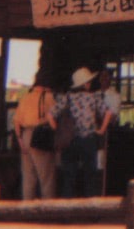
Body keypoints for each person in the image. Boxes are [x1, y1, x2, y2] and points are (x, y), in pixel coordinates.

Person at [52, 67, 113, 197]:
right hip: (88, 140)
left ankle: (67, 210)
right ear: (85, 84)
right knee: (90, 176)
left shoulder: (66, 97)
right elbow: (108, 112)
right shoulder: (93, 97)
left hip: (70, 140)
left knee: (69, 176)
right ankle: (90, 209)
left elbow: (50, 115)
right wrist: (101, 130)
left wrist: (57, 130)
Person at [11, 69, 57, 200]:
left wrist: (20, 139)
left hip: (25, 136)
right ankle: (47, 211)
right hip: (40, 136)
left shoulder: (26, 97)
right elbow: (54, 119)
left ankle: (27, 210)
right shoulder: (49, 98)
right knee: (47, 178)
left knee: (28, 178)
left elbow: (16, 121)